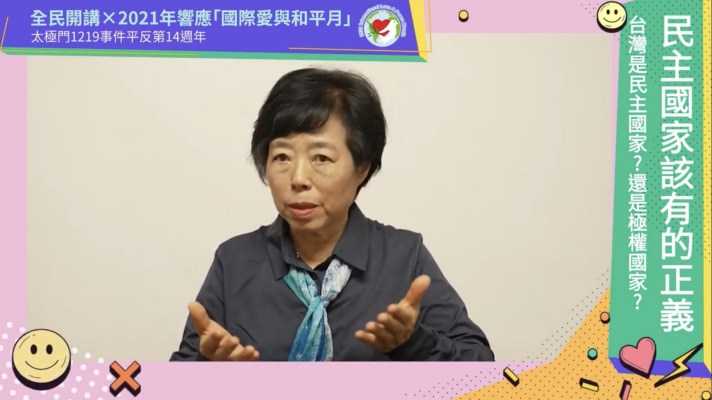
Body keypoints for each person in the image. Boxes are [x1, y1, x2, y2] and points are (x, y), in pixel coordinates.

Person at [169, 67, 495, 362]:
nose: (298, 178)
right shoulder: (235, 261)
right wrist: (210, 372)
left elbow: (484, 371)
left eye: (321, 158)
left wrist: (414, 343)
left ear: (362, 167)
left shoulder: (403, 257)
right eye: (282, 156)